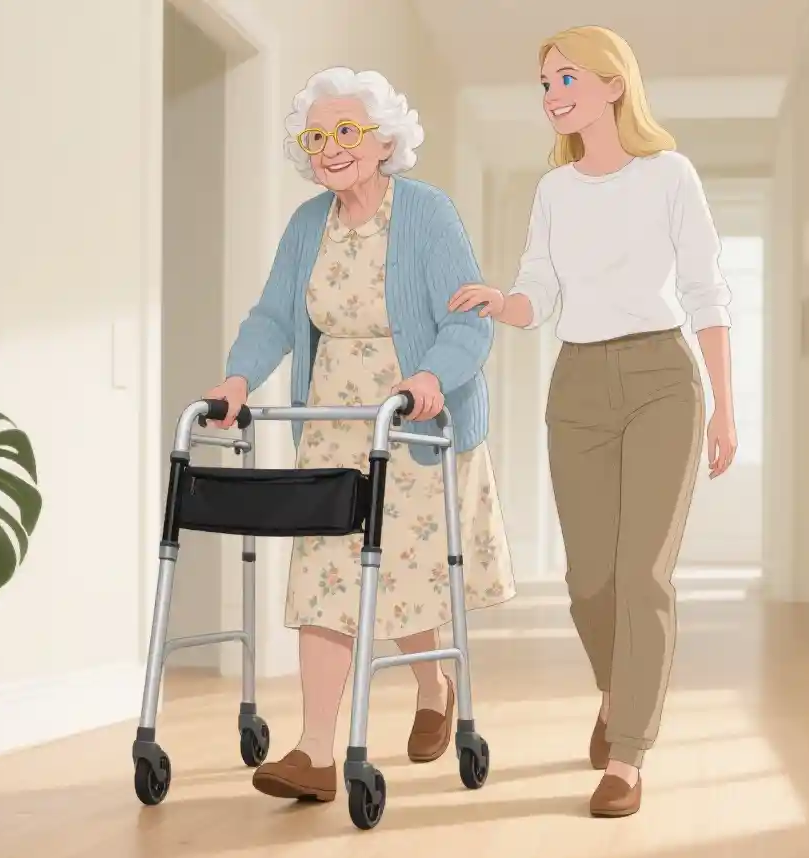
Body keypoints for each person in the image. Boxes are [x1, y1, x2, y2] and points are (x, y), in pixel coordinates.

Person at [204, 66, 516, 804]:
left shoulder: (427, 214)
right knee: (327, 580)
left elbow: (467, 318)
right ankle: (314, 751)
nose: (330, 148)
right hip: (331, 425)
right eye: (316, 136)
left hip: (411, 422)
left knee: (400, 575)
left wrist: (430, 379)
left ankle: (431, 684)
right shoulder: (307, 224)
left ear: (383, 140)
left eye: (345, 131)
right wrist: (236, 380)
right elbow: (275, 316)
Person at [450, 25, 738, 818]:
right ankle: (615, 690)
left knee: (643, 574)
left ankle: (627, 755)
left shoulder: (668, 175)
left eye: (566, 78)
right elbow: (537, 288)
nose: (552, 96)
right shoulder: (554, 191)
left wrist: (723, 407)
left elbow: (706, 291)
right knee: (588, 580)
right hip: (575, 381)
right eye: (544, 83)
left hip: (660, 380)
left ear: (613, 84)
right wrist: (500, 303)